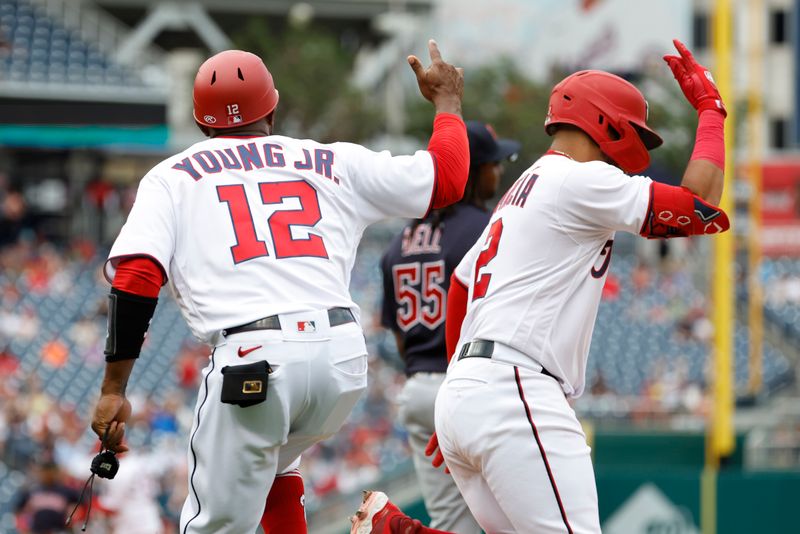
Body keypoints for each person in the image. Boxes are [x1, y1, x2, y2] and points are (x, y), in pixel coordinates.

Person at [88, 40, 469, 534]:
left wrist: (113, 389)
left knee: (213, 526)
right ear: (272, 109)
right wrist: (447, 103)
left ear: (203, 124)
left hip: (254, 359)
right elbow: (447, 178)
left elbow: (137, 274)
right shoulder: (330, 159)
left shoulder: (172, 176)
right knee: (274, 469)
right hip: (342, 358)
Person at [351, 39, 729, 534]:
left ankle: (397, 530)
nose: (635, 145)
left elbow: (461, 287)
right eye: (633, 130)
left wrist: (457, 387)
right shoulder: (578, 179)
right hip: (516, 387)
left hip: (467, 391)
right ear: (606, 123)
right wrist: (711, 112)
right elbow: (699, 204)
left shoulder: (522, 188)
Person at [379, 121, 519, 533]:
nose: (499, 173)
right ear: (472, 171)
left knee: (453, 525)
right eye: (494, 164)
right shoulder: (486, 227)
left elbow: (401, 339)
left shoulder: (398, 242)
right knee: (517, 520)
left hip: (419, 391)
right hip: (468, 386)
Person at [13, 461, 80, 534]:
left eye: (50, 471)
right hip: (37, 531)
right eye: (45, 471)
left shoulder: (65, 491)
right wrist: (24, 528)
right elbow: (18, 510)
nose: (47, 474)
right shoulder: (33, 490)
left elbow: (82, 504)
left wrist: (73, 519)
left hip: (59, 530)